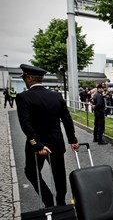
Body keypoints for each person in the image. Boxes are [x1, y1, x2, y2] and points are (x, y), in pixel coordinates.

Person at [16, 64, 80, 207]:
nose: (25, 80)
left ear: (30, 78)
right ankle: (61, 202)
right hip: (56, 142)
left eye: (25, 77)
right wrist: (73, 140)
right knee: (59, 175)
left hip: (36, 145)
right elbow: (67, 120)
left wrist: (38, 145)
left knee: (31, 172)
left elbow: (25, 124)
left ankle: (48, 201)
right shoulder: (56, 96)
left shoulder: (23, 97)